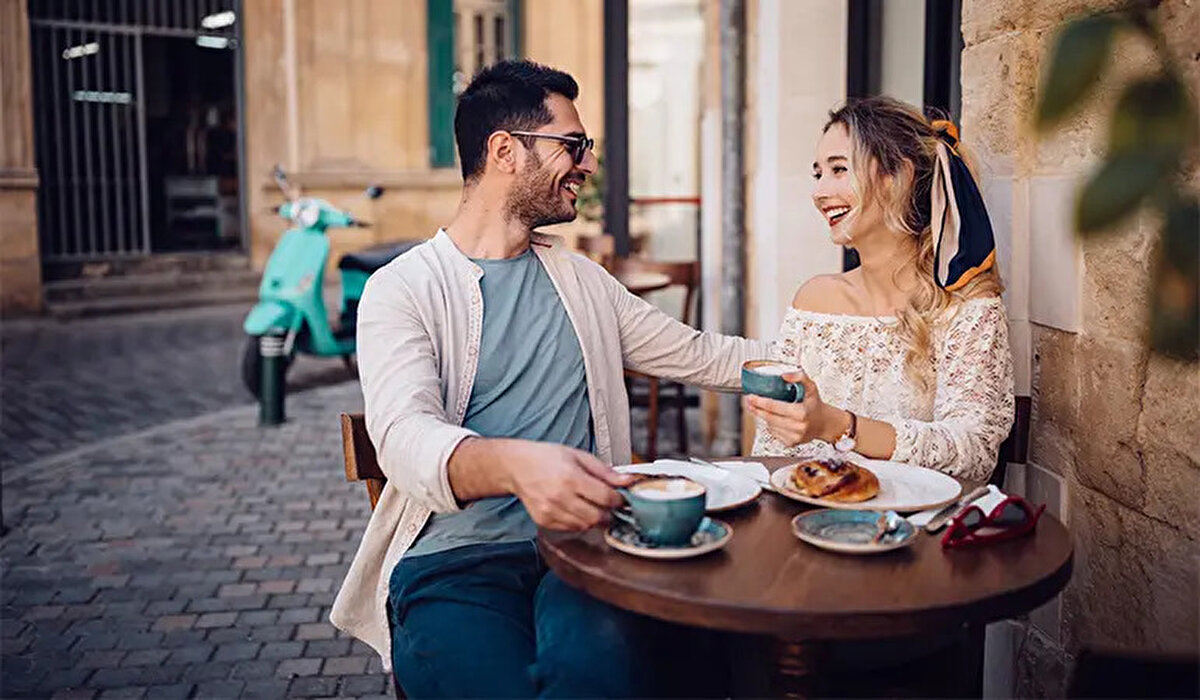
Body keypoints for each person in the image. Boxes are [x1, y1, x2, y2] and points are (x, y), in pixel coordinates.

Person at [330, 60, 767, 697]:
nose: (587, 163)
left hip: (585, 555)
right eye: (574, 145)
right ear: (505, 151)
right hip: (453, 565)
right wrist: (515, 467)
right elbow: (403, 437)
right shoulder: (404, 289)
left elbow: (703, 355)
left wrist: (831, 354)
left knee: (604, 678)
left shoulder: (582, 281)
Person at [747, 96, 1014, 482]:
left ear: (897, 178)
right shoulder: (813, 303)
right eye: (818, 173)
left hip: (923, 534)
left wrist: (838, 425)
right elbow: (772, 455)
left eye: (839, 170)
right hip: (809, 523)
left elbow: (973, 453)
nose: (819, 192)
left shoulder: (967, 306)